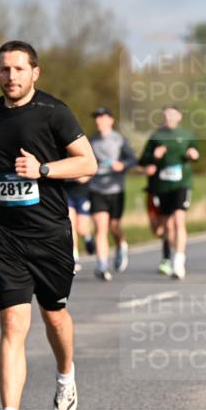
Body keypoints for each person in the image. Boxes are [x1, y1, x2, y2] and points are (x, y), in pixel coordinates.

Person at [0, 40, 97, 410]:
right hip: (5, 234)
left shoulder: (54, 112)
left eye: (19, 69)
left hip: (49, 233)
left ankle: (66, 375)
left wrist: (42, 168)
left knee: (54, 315)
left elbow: (87, 163)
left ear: (35, 72)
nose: (11, 77)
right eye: (4, 70)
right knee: (12, 322)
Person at [138, 105, 199, 279]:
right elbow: (143, 161)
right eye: (166, 115)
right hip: (161, 186)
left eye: (173, 115)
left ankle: (179, 262)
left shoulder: (187, 135)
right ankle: (174, 254)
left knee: (179, 220)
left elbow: (195, 152)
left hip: (182, 184)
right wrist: (154, 157)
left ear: (179, 117)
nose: (169, 118)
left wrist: (194, 154)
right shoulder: (156, 136)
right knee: (167, 227)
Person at [88, 106, 137, 281]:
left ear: (111, 120)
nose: (98, 121)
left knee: (114, 227)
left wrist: (122, 165)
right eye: (96, 118)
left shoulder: (118, 139)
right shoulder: (91, 140)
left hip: (116, 190)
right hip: (96, 189)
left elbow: (132, 159)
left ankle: (121, 245)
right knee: (100, 228)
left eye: (102, 117)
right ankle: (102, 265)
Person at [64, 178, 94, 273]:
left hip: (83, 194)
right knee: (71, 227)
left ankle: (87, 236)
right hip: (67, 194)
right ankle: (74, 257)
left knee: (81, 229)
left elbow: (85, 177)